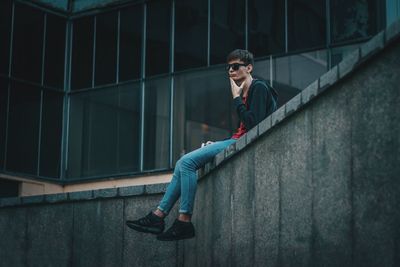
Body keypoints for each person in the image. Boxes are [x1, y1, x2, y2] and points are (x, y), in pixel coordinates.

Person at [126, 49, 278, 241]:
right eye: (228, 67)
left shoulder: (259, 88)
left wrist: (236, 98)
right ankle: (159, 216)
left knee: (187, 163)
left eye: (236, 66)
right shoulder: (247, 91)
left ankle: (183, 220)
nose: (231, 70)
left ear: (249, 68)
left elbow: (254, 125)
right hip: (235, 139)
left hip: (243, 142)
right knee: (183, 164)